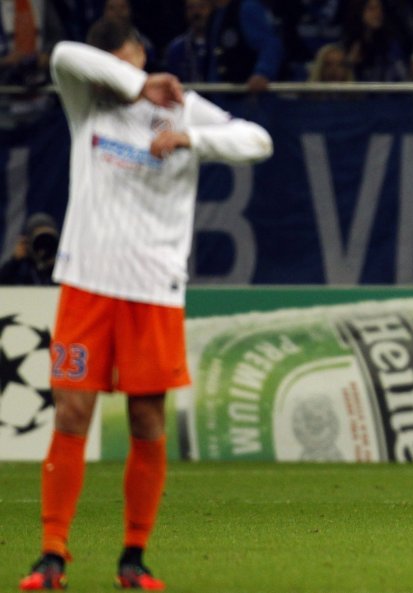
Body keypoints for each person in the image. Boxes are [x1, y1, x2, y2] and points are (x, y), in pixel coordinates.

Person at [18, 17, 273, 591]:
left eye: (132, 54)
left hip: (153, 289)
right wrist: (138, 86)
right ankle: (52, 555)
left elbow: (259, 140)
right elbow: (62, 54)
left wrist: (191, 137)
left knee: (147, 418)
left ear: (143, 50)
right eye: (118, 57)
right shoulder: (90, 103)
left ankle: (134, 558)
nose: (125, 62)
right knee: (72, 413)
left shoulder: (185, 108)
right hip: (87, 284)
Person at [0, 212, 59, 286]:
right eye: (39, 240)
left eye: (48, 241)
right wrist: (15, 261)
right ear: (28, 241)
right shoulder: (21, 268)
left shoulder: (61, 268)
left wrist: (55, 266)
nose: (43, 246)